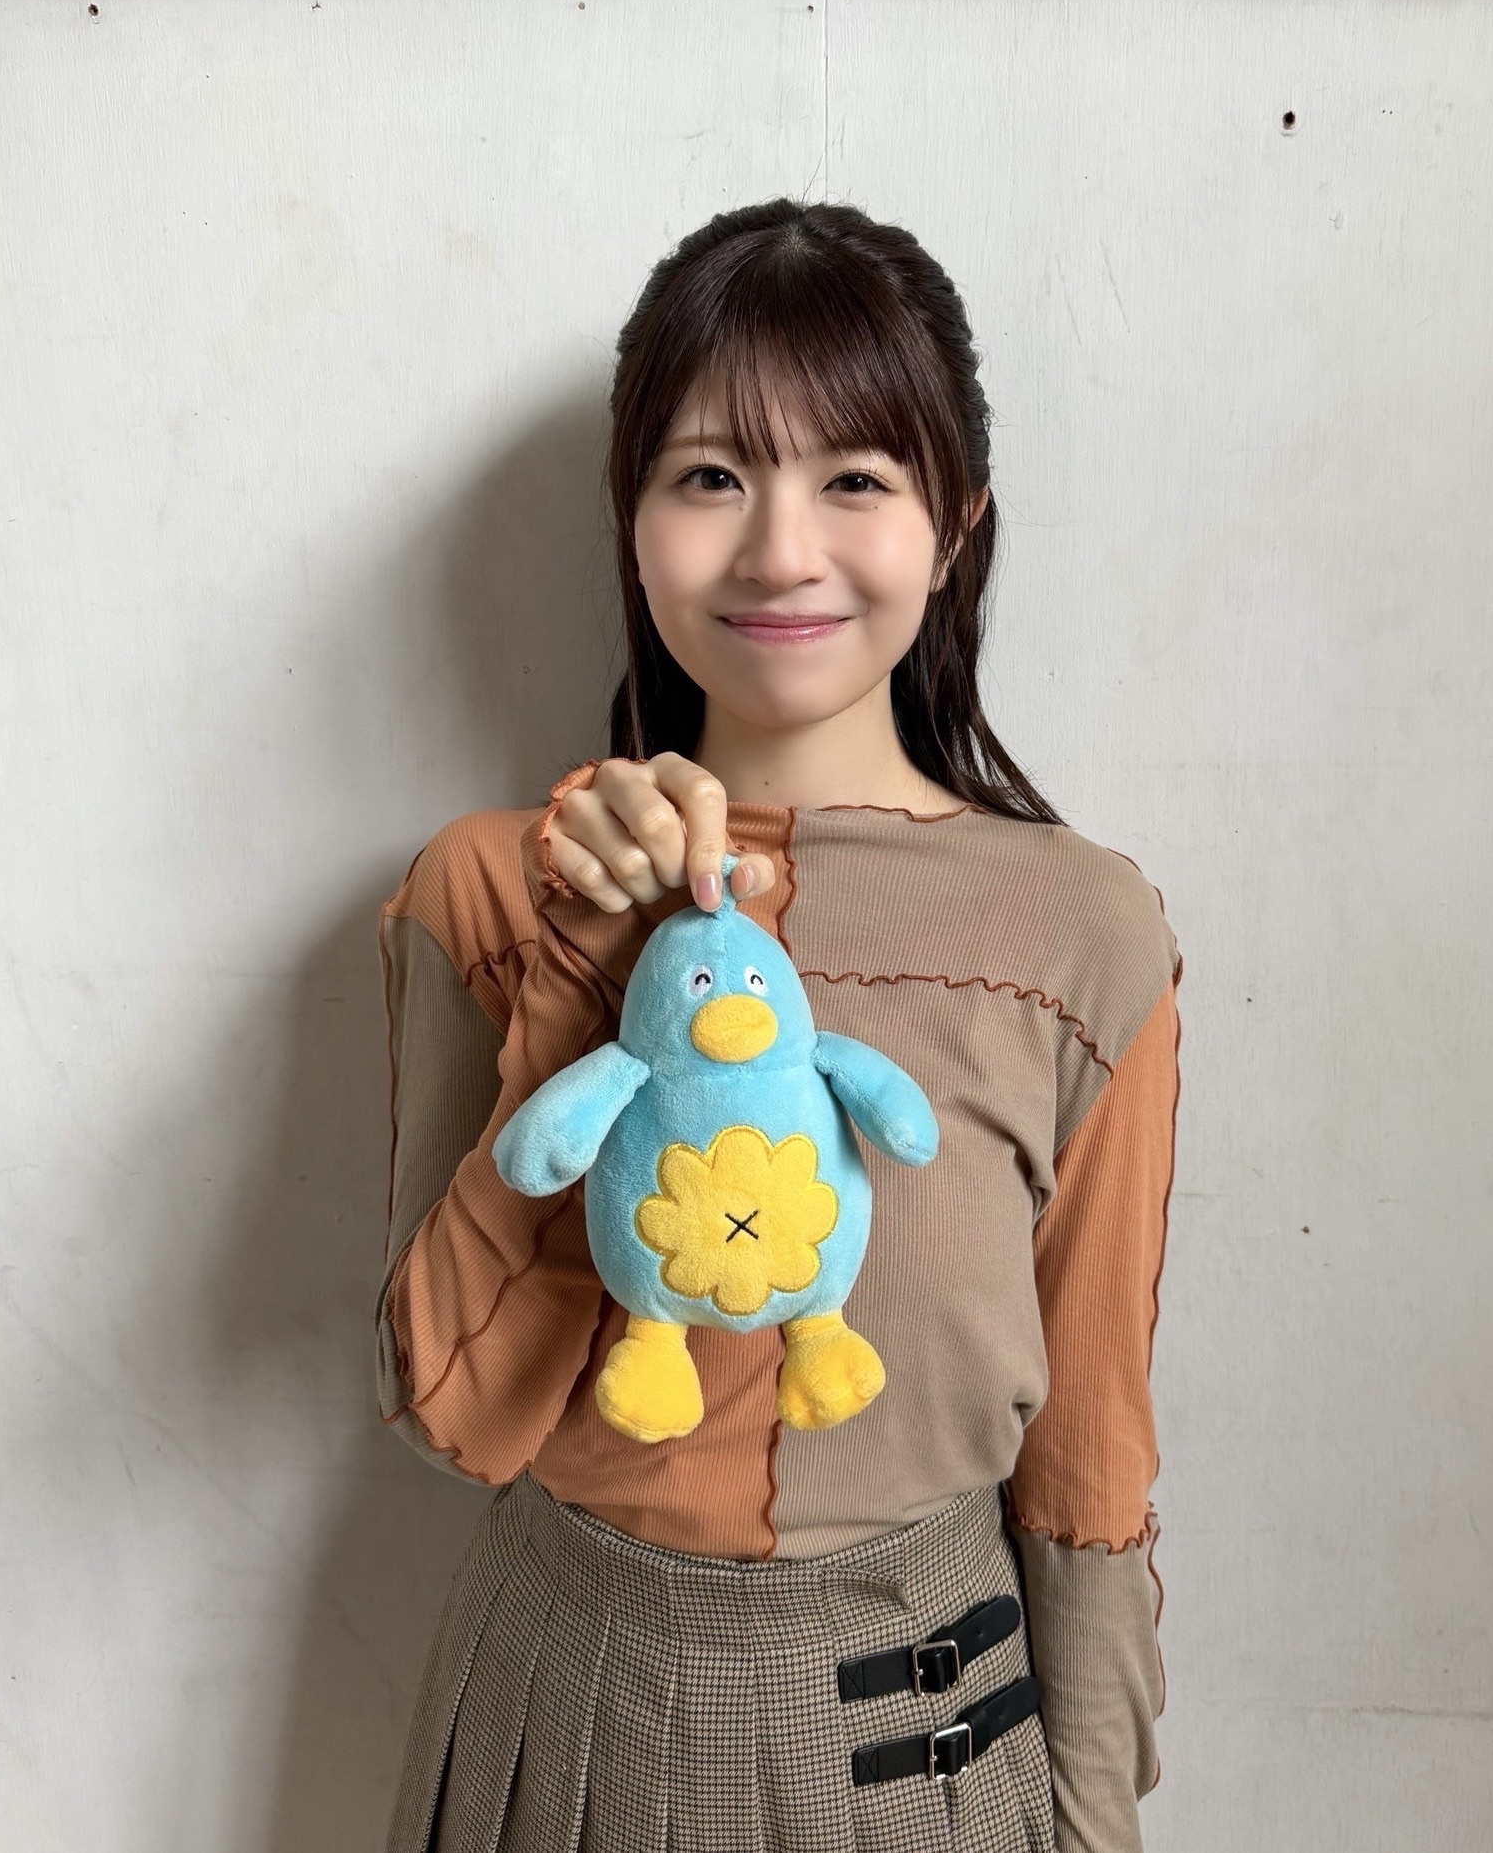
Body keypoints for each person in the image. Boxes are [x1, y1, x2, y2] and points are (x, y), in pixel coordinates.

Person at [376, 196, 1182, 1853]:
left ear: (954, 527)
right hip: (556, 1719)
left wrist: (1094, 1824)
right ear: (631, 519)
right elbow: (452, 1407)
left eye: (855, 478)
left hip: (929, 1740)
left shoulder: (1083, 931)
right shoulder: (484, 891)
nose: (780, 550)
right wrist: (588, 951)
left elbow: (1089, 1455)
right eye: (710, 476)